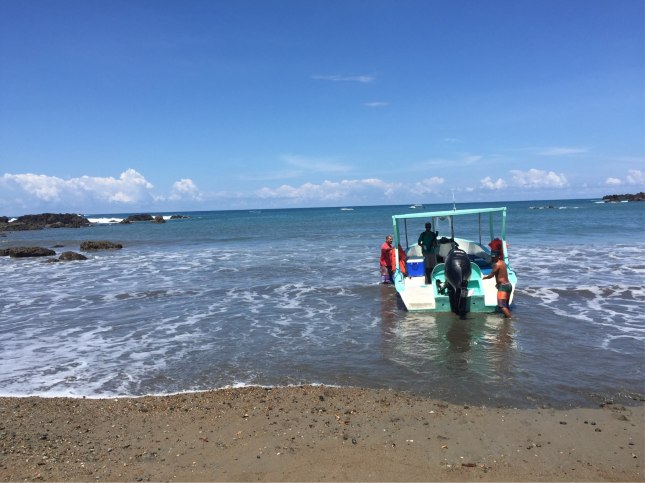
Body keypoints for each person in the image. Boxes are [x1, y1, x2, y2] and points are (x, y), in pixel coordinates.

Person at [483, 250, 512, 318]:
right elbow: (501, 274)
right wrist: (498, 283)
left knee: (501, 305)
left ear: (498, 256)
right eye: (492, 256)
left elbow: (491, 275)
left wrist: (484, 278)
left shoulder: (497, 264)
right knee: (506, 304)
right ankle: (507, 318)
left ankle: (509, 320)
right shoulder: (503, 263)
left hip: (503, 287)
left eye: (494, 257)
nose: (492, 258)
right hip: (508, 285)